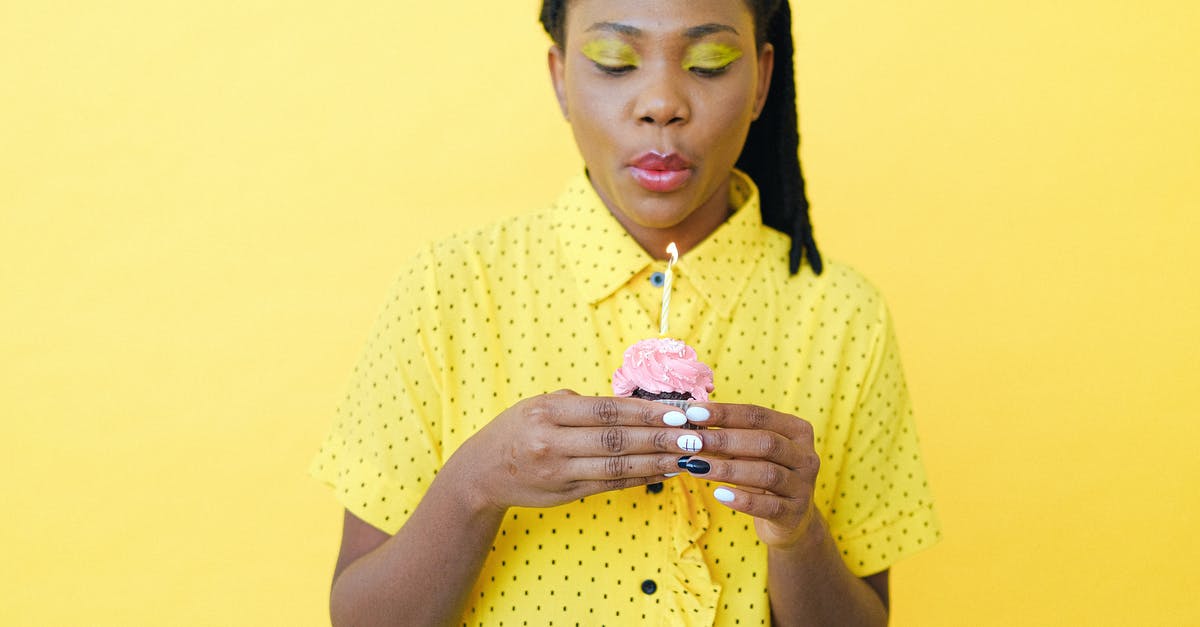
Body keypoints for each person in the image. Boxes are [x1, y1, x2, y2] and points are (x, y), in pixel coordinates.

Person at [310, 1, 941, 625]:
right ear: (560, 78)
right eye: (615, 62)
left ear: (762, 81)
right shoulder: (447, 290)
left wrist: (798, 532)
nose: (661, 102)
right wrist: (475, 484)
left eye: (710, 62)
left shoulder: (843, 315)